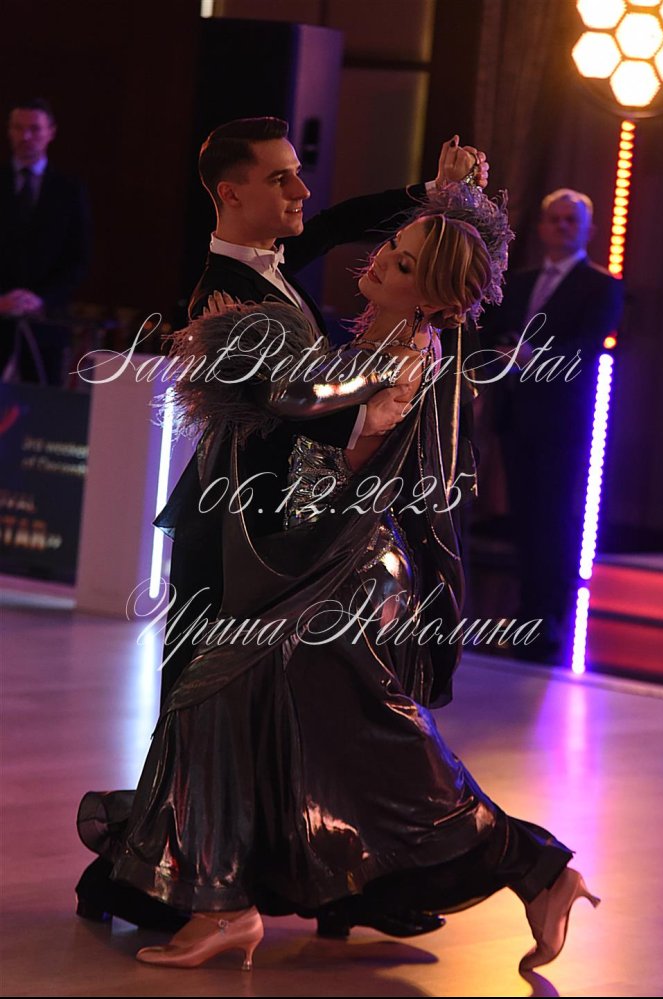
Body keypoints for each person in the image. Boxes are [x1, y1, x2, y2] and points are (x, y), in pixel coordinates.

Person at [83, 180, 599, 975]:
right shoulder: (373, 340)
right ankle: (227, 903)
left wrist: (225, 340)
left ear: (435, 301)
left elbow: (299, 399)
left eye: (403, 264)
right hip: (312, 561)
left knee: (369, 751)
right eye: (392, 248)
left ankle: (533, 868)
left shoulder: (400, 357)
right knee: (266, 720)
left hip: (347, 579)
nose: (381, 261)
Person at [75, 116, 488, 942]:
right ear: (231, 194)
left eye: (298, 172)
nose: (301, 190)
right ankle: (165, 875)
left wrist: (435, 195)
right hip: (236, 530)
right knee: (200, 705)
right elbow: (294, 409)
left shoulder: (275, 265)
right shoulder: (218, 297)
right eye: (280, 178)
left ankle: (335, 880)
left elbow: (342, 224)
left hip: (293, 531)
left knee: (298, 710)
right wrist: (378, 397)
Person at [483, 188, 624, 662]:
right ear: (542, 228)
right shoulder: (519, 282)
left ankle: (549, 621)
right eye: (555, 219)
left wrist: (530, 357)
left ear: (588, 229)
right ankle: (526, 615)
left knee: (557, 521)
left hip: (564, 422)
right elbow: (495, 333)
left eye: (571, 220)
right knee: (525, 520)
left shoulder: (600, 285)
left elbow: (585, 348)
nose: (562, 227)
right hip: (516, 416)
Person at [0, 98, 91, 382]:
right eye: (19, 128)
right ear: (9, 131)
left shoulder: (69, 190)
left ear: (50, 132)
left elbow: (78, 259)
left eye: (34, 129)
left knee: (40, 402)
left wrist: (40, 299)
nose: (26, 136)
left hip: (46, 322)